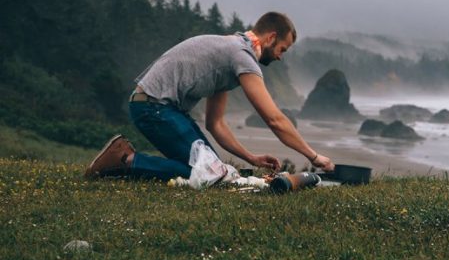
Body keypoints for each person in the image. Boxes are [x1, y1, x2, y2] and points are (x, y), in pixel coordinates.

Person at [84, 11, 335, 181]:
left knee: (213, 171)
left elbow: (216, 124)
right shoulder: (241, 56)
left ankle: (127, 160)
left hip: (158, 107)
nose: (281, 56)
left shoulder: (232, 50)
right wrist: (313, 156)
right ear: (271, 38)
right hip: (154, 107)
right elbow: (274, 119)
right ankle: (125, 160)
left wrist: (251, 158)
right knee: (210, 173)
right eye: (283, 49)